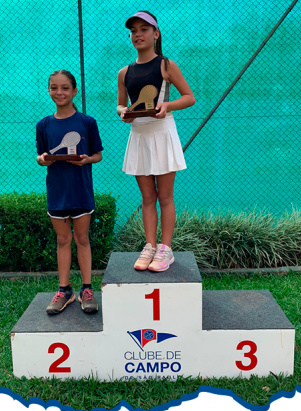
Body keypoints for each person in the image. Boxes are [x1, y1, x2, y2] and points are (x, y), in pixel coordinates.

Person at [117, 11, 195, 272]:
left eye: (144, 29)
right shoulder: (124, 72)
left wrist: (167, 105)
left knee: (165, 196)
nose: (138, 34)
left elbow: (189, 97)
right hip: (138, 135)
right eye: (133, 31)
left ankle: (165, 250)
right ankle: (150, 246)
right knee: (147, 197)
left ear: (156, 34)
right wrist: (123, 112)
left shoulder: (166, 65)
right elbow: (120, 105)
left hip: (163, 133)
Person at [36, 70, 103, 315]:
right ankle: (65, 291)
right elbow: (41, 155)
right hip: (57, 192)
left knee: (82, 239)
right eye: (54, 87)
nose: (59, 92)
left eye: (65, 88)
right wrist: (42, 159)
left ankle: (87, 290)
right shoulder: (43, 125)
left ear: (74, 91)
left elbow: (98, 155)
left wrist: (86, 160)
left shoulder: (87, 122)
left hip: (80, 191)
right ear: (49, 90)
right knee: (63, 240)